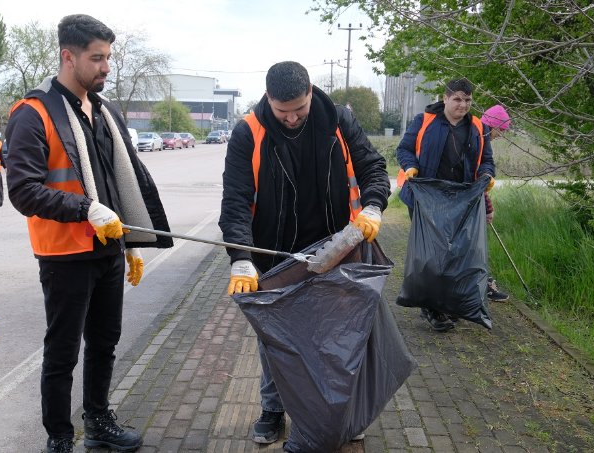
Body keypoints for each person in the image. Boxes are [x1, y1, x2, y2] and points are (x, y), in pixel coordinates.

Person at [5, 14, 172, 453]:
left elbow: (120, 180)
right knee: (62, 353)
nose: (105, 68)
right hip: (64, 255)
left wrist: (130, 241)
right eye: (97, 58)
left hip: (108, 249)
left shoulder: (104, 110)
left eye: (108, 58)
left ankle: (98, 421)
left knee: (105, 343)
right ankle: (59, 436)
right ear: (68, 56)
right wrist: (86, 208)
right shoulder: (33, 113)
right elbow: (23, 191)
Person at [219, 61, 390, 447]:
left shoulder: (338, 120)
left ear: (311, 91)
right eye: (283, 111)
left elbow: (373, 168)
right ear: (268, 99)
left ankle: (339, 413)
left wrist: (374, 206)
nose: (292, 118)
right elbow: (235, 202)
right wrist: (241, 257)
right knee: (278, 340)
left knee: (337, 339)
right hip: (276, 256)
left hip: (337, 249)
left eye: (299, 107)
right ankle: (273, 409)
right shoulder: (248, 132)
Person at [396, 78, 496, 332]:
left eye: (468, 100)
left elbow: (487, 160)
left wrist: (486, 177)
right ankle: (431, 307)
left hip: (461, 200)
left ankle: (450, 302)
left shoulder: (477, 127)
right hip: (427, 197)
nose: (463, 105)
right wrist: (411, 167)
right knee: (432, 254)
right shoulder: (424, 121)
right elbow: (404, 149)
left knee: (458, 252)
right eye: (458, 99)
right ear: (445, 98)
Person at [480, 104, 511, 302]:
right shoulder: (479, 140)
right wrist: (488, 209)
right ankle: (485, 285)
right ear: (492, 125)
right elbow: (477, 181)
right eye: (501, 130)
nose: (501, 135)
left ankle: (485, 284)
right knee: (474, 247)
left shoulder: (481, 138)